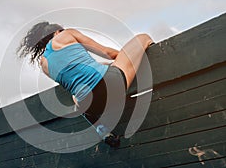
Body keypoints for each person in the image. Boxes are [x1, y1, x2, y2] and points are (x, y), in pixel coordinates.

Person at [16, 22, 154, 147]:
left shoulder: (44, 65)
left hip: (90, 107)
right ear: (57, 32)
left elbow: (79, 77)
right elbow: (107, 53)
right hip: (110, 85)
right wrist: (126, 56)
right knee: (143, 38)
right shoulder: (65, 34)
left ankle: (101, 129)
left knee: (75, 97)